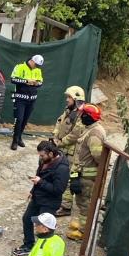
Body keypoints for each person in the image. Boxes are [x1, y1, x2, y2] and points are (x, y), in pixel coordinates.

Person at [13, 141, 69, 256]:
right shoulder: (44, 160)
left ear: (52, 154)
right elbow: (39, 175)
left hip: (49, 202)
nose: (40, 158)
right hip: (38, 197)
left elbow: (58, 190)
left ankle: (43, 252)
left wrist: (41, 182)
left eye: (42, 155)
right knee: (27, 219)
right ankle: (29, 245)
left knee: (45, 228)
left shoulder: (62, 168)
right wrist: (32, 191)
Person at [68, 103, 106, 241]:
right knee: (82, 201)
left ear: (88, 117)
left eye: (82, 114)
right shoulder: (90, 129)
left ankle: (83, 232)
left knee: (84, 203)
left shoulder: (94, 134)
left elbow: (98, 156)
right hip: (82, 173)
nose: (80, 116)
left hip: (87, 176)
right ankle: (83, 225)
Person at [51, 85, 86, 217]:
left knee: (68, 179)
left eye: (69, 97)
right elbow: (59, 123)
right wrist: (55, 136)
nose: (67, 99)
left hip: (71, 152)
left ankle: (66, 206)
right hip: (62, 149)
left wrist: (61, 142)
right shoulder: (68, 111)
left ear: (76, 99)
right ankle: (59, 201)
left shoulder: (80, 114)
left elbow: (75, 134)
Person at [10, 54, 44, 151]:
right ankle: (15, 140)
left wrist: (37, 83)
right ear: (32, 61)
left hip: (32, 99)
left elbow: (41, 82)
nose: (37, 67)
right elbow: (13, 79)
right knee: (19, 119)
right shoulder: (20, 67)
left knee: (25, 120)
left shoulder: (38, 70)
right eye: (36, 64)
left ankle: (19, 137)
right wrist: (25, 81)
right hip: (20, 99)